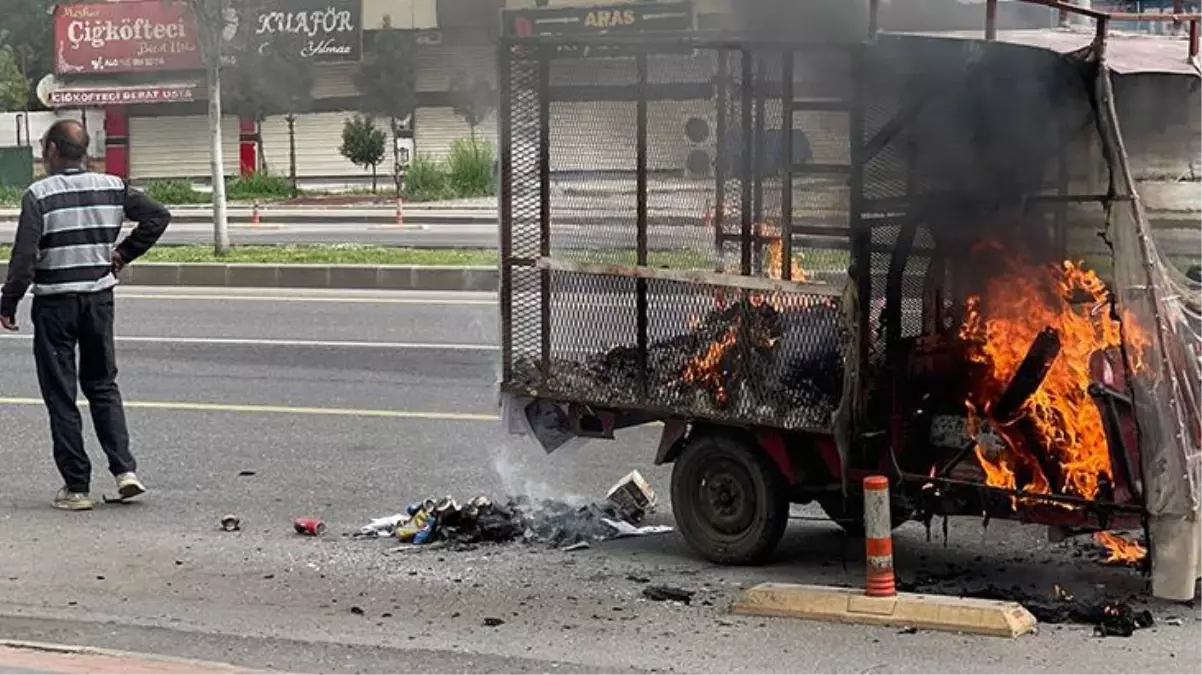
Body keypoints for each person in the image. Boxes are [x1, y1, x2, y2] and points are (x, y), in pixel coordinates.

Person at [0, 120, 171, 511]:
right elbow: (157, 217)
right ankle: (124, 471)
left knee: (61, 395)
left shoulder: (38, 195)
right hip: (98, 302)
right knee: (102, 385)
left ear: (55, 150)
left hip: (55, 306)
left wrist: (8, 304)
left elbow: (24, 260)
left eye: (45, 149)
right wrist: (123, 253)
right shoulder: (113, 186)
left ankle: (76, 487)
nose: (43, 157)